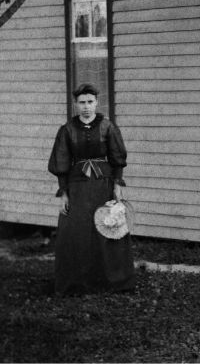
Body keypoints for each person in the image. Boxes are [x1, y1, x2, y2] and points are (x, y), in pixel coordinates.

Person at [48, 83, 135, 294]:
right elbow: (61, 163)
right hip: (77, 187)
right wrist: (64, 193)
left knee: (107, 227)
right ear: (75, 104)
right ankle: (77, 283)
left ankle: (112, 282)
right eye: (81, 103)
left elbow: (117, 158)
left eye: (90, 102)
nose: (86, 107)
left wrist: (117, 186)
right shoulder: (67, 130)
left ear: (96, 102)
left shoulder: (107, 127)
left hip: (103, 185)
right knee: (76, 231)